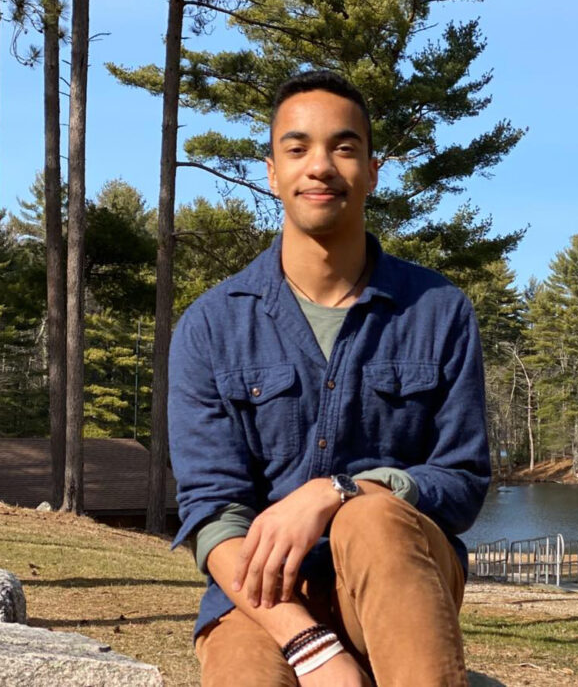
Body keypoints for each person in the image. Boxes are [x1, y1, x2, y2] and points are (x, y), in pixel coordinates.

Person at [168, 70, 489, 686]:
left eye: (343, 148)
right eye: (297, 148)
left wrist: (337, 491)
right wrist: (313, 649)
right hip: (263, 601)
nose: (320, 166)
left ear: (372, 170)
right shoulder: (211, 325)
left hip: (401, 579)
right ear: (271, 171)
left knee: (369, 518)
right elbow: (213, 514)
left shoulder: (438, 309)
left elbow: (462, 481)